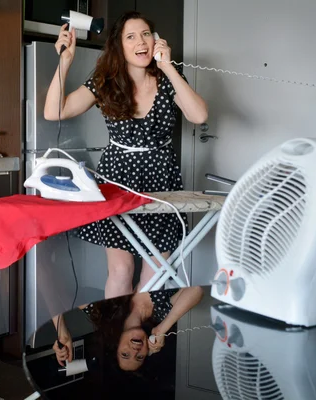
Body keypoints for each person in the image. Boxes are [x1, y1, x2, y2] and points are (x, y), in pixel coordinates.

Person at [44, 11, 208, 297]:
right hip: (117, 179)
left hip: (162, 181)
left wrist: (168, 67)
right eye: (131, 36)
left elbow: (199, 115)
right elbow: (53, 111)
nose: (141, 41)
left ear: (156, 40)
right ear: (119, 46)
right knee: (121, 272)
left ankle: (139, 337)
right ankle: (116, 338)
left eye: (146, 34)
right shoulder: (105, 81)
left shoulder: (169, 78)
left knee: (154, 275)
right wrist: (65, 61)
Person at [52, 286, 204, 371]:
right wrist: (162, 329)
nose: (135, 351)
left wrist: (62, 333)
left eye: (125, 354)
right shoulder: (160, 313)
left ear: (116, 345)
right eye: (140, 357)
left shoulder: (103, 311)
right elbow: (196, 290)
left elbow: (55, 286)